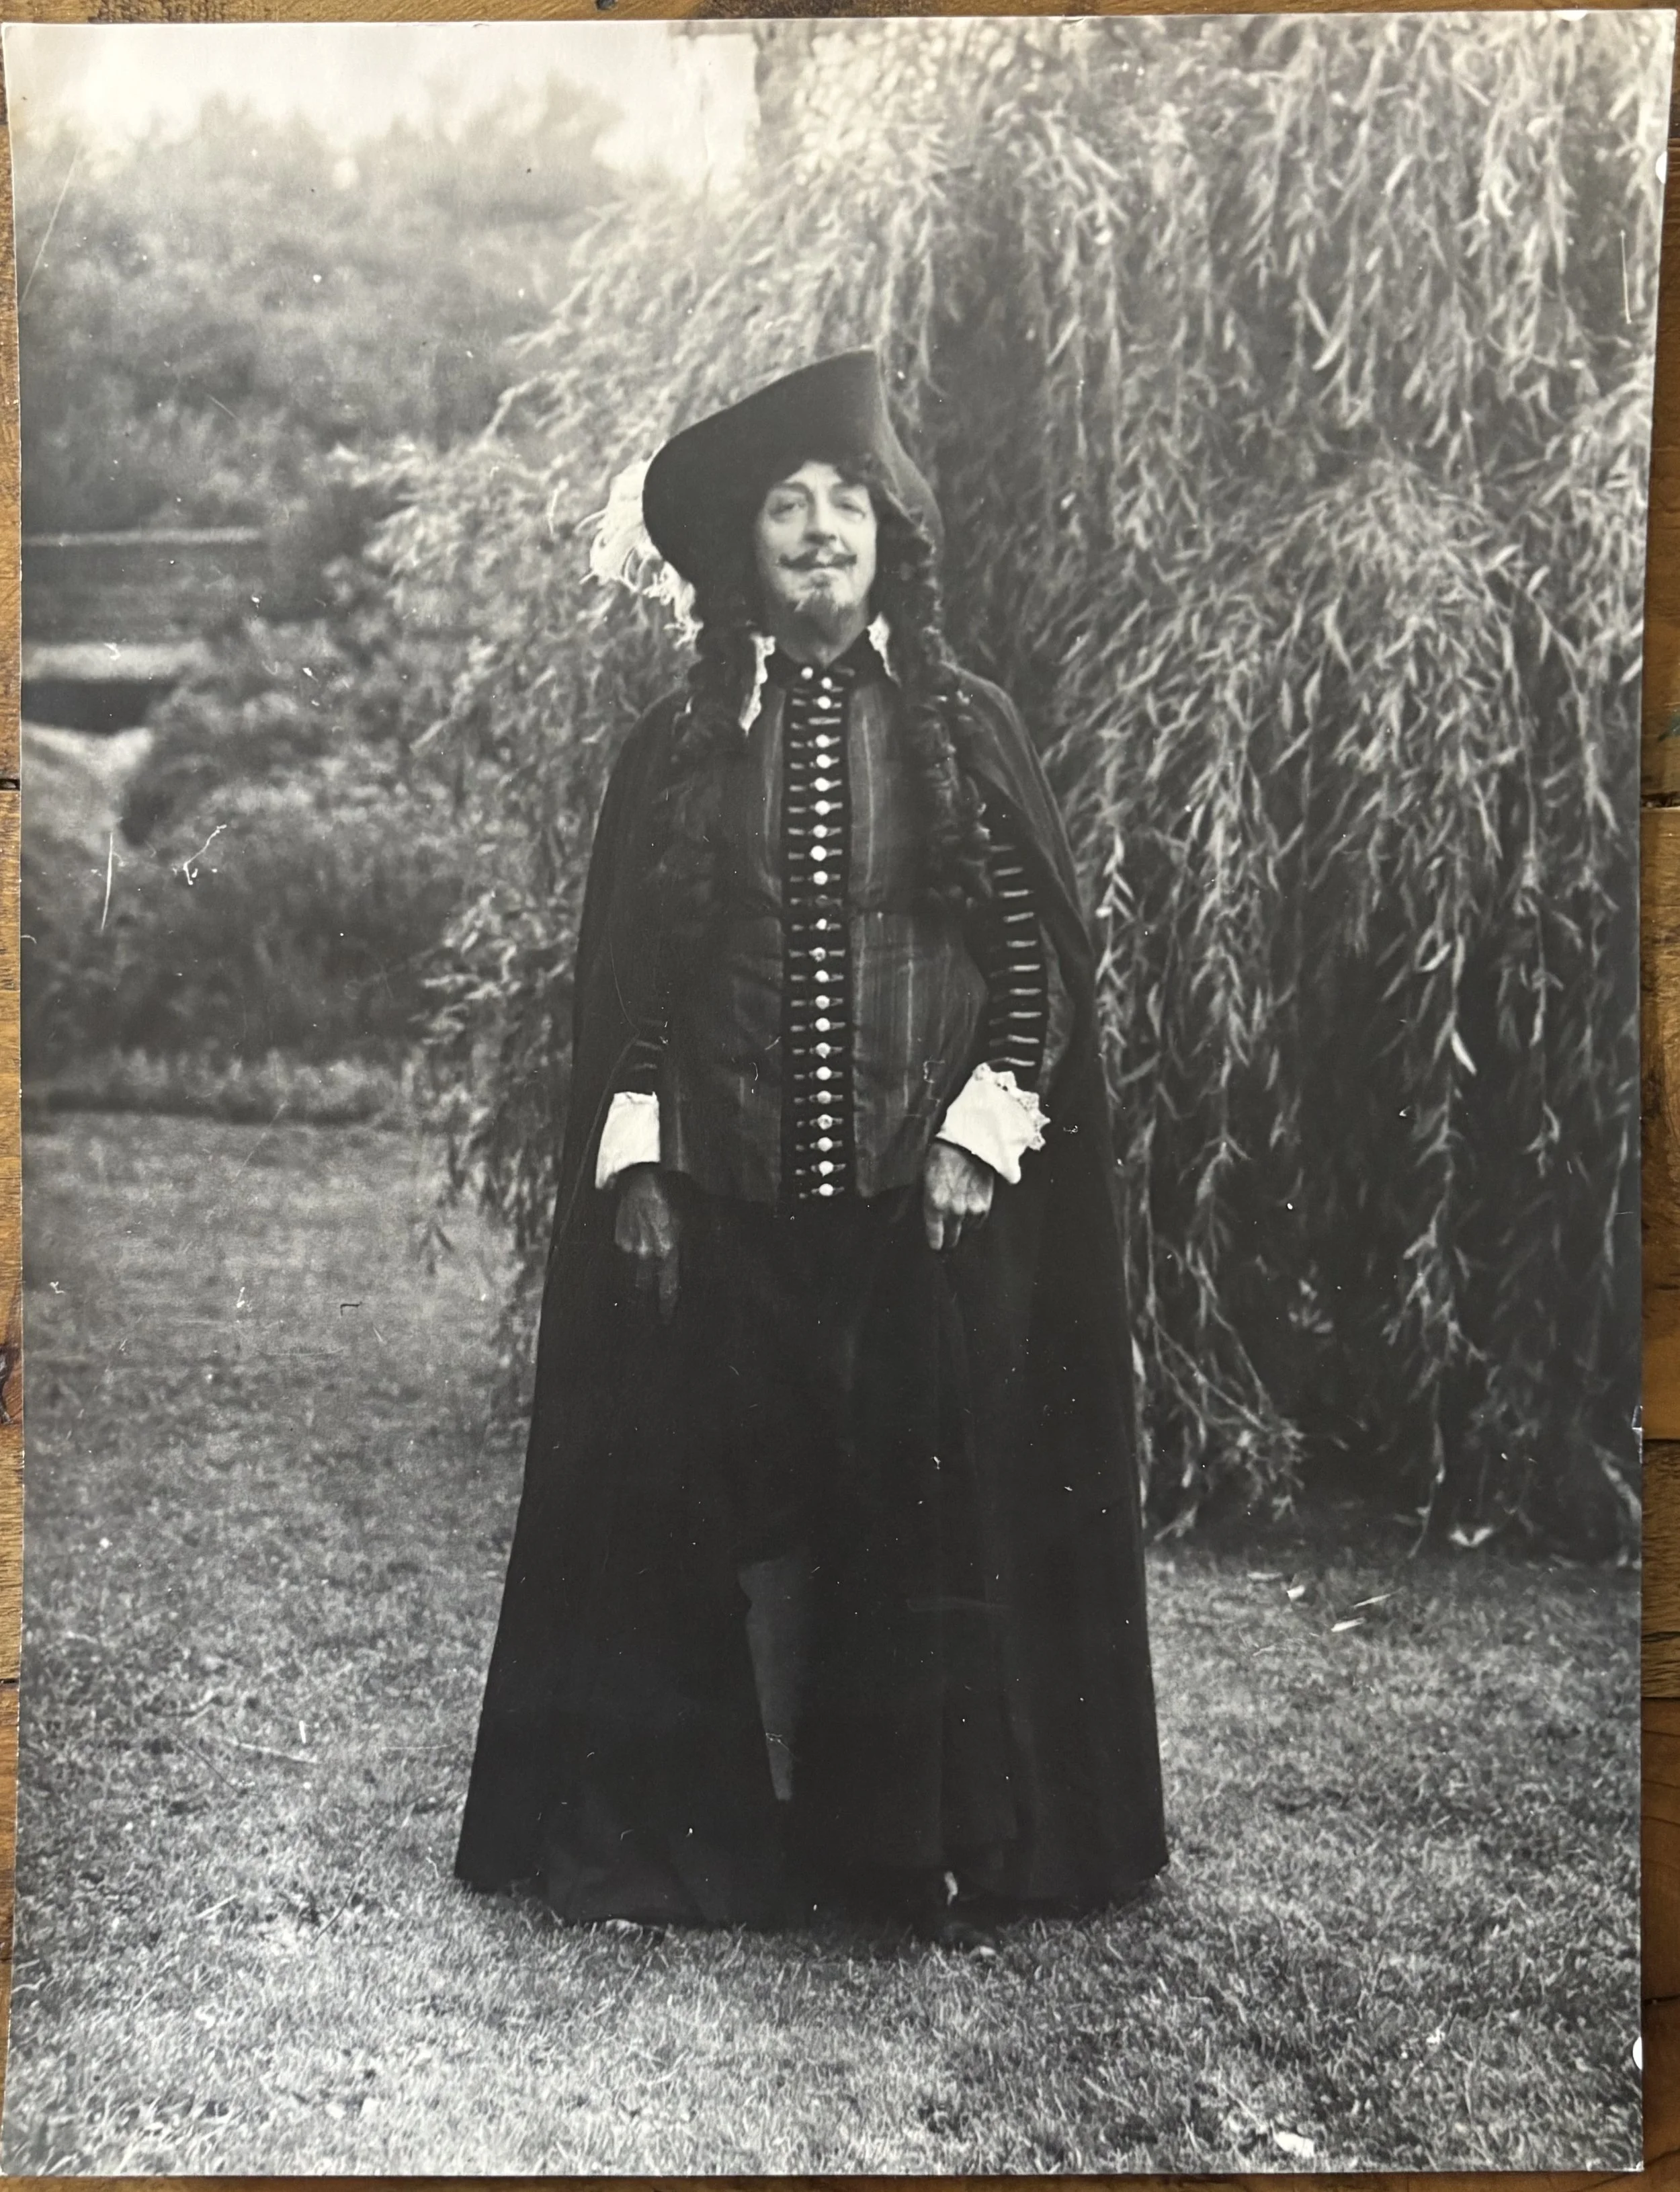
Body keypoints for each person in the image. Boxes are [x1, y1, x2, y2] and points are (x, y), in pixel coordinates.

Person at [455, 350, 1167, 1944]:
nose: (819, 531)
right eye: (787, 507)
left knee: (917, 1513)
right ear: (742, 555)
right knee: (723, 1514)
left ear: (885, 538)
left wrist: (980, 1139)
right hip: (724, 1205)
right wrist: (638, 1164)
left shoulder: (964, 730)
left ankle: (907, 1843)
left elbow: (1036, 960)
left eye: (845, 503)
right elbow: (634, 976)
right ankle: (732, 1832)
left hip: (924, 1205)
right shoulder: (682, 741)